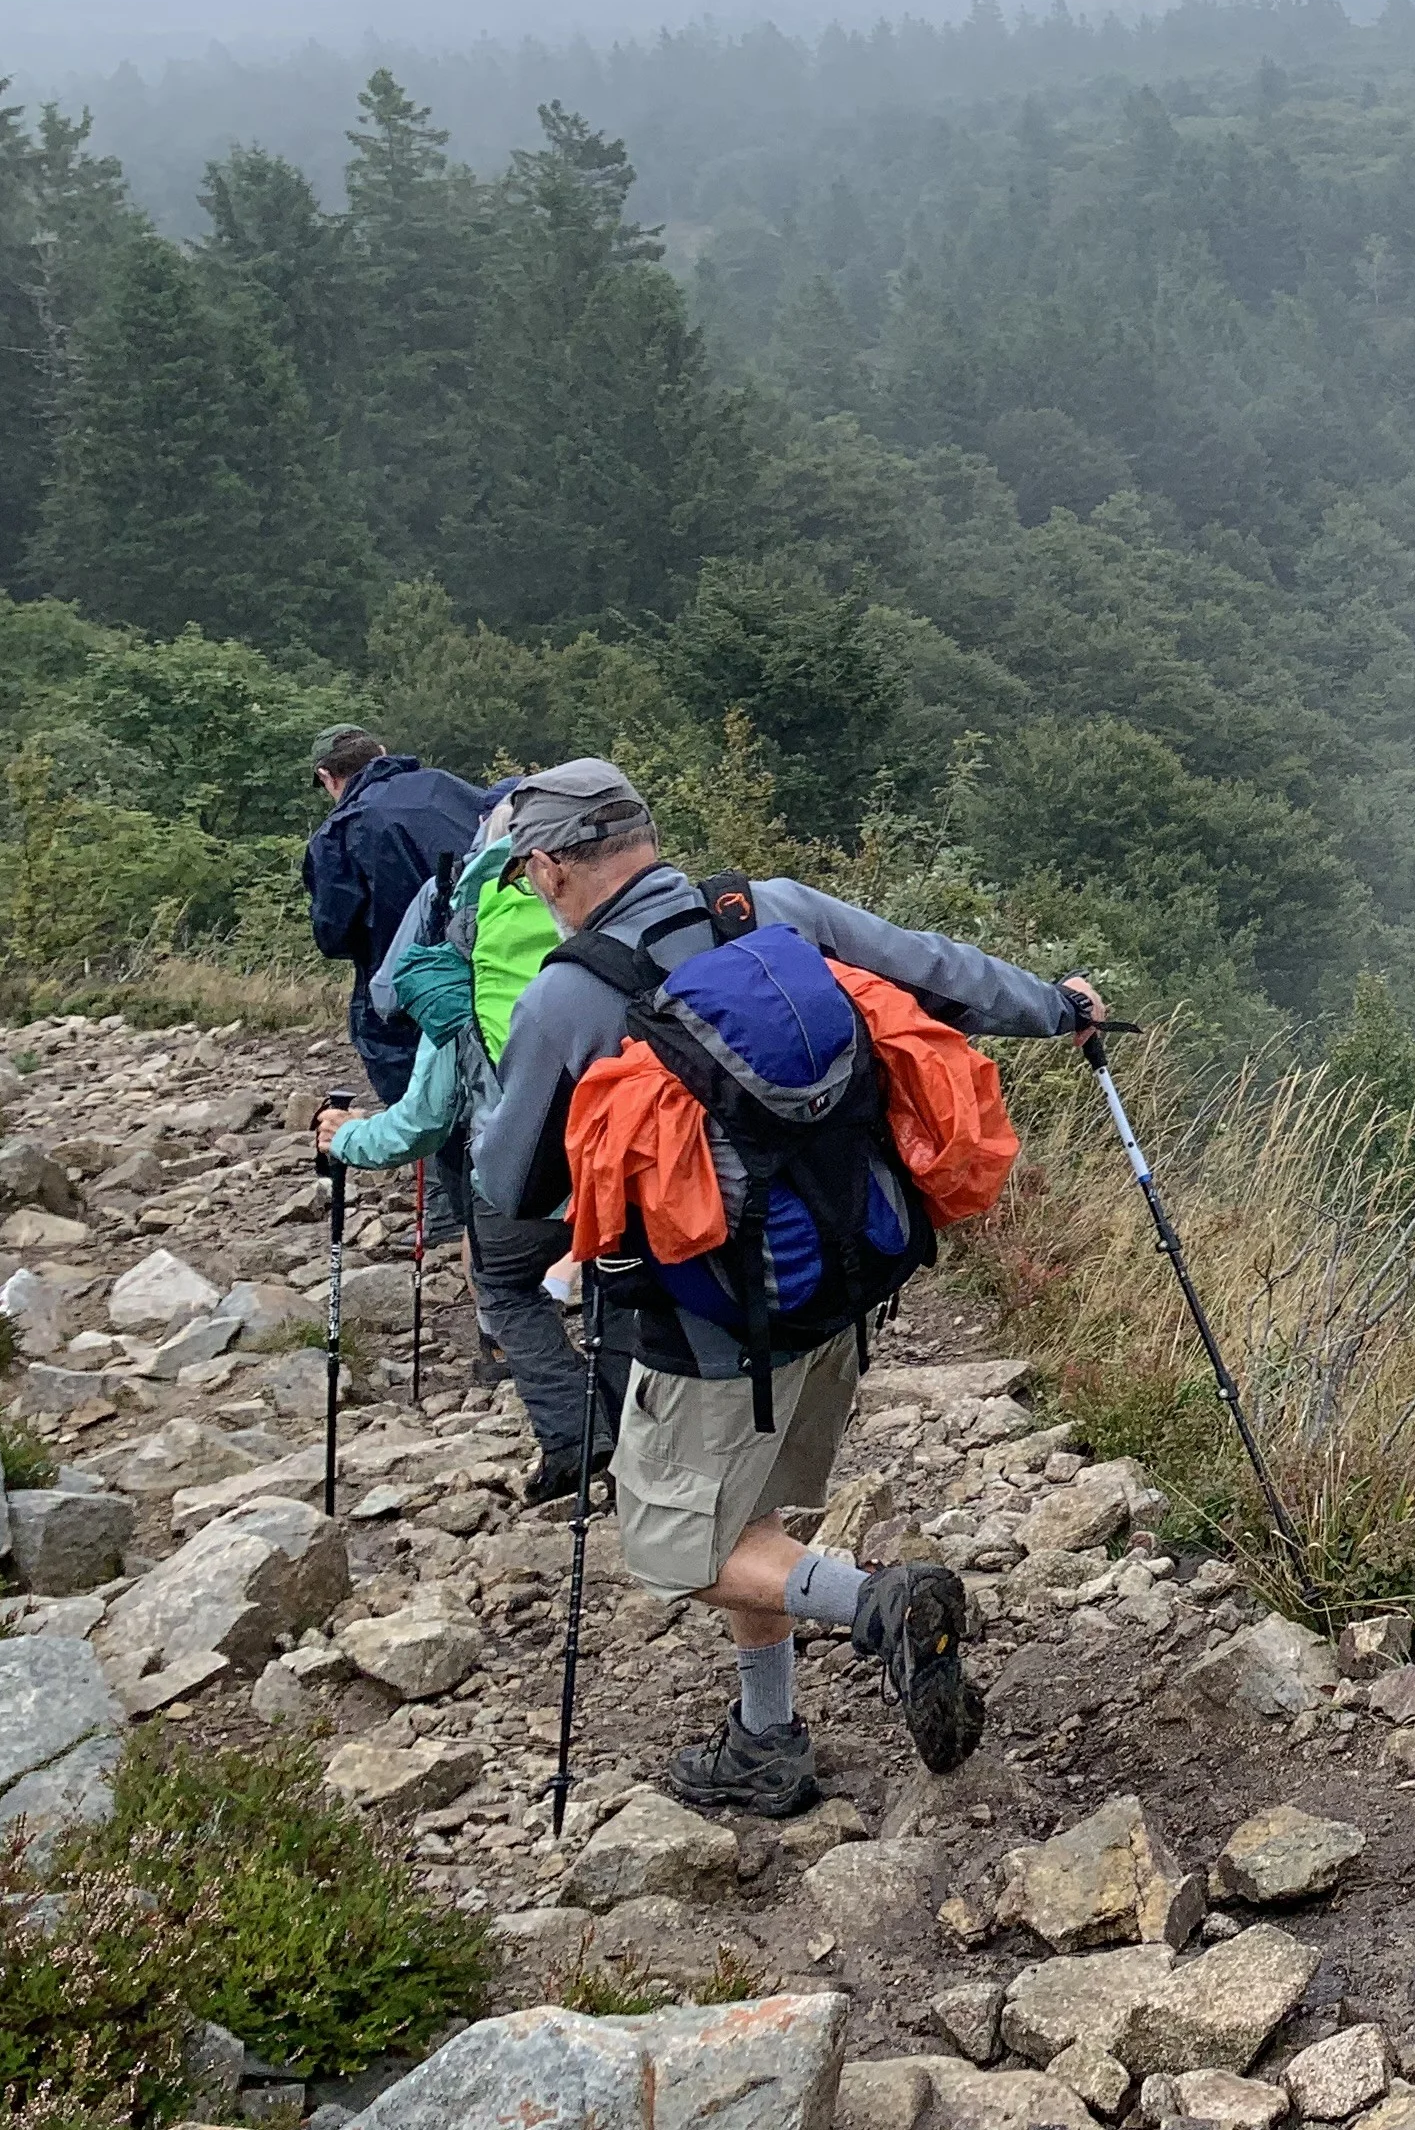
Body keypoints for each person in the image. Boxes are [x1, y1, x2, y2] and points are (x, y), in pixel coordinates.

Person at [469, 757, 1102, 1813]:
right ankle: (768, 1739)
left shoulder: (572, 996)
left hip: (708, 1326)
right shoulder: (769, 910)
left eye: (529, 877)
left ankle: (875, 1603)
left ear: (548, 867)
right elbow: (937, 972)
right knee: (759, 1520)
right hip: (841, 1284)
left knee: (680, 1547)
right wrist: (1056, 1005)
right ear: (646, 837)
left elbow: (505, 1182)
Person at [330, 785, 615, 1500]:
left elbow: (422, 1121)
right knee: (626, 1280)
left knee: (508, 1286)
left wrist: (346, 1141)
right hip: (630, 1156)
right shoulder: (615, 918)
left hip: (523, 1175)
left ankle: (575, 1441)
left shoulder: (464, 952)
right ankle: (641, 1431)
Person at [302, 727, 487, 1111]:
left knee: (426, 1105)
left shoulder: (339, 832)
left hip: (402, 989)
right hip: (489, 958)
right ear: (382, 753)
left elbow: (333, 936)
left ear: (326, 776)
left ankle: (438, 1167)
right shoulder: (448, 787)